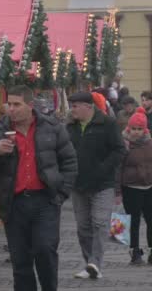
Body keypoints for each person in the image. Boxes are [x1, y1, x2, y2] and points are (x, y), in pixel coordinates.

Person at [0, 85, 77, 291]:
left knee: (45, 250)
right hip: (14, 204)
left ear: (30, 106)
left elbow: (69, 162)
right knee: (20, 260)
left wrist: (61, 194)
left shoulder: (52, 127)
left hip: (45, 200)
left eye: (17, 104)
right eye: (9, 104)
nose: (11, 109)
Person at [66, 91, 126, 279]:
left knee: (100, 223)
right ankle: (90, 263)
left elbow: (119, 150)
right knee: (83, 227)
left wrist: (104, 168)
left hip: (103, 184)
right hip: (78, 184)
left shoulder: (107, 124)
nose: (72, 110)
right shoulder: (69, 126)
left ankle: (95, 262)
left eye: (75, 106)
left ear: (88, 107)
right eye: (71, 106)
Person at [119, 107, 152, 265]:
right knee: (133, 221)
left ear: (145, 129)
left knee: (151, 220)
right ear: (129, 128)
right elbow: (117, 167)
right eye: (134, 129)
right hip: (131, 187)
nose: (136, 132)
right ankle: (134, 251)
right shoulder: (124, 143)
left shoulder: (150, 142)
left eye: (140, 129)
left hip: (149, 187)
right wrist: (117, 190)